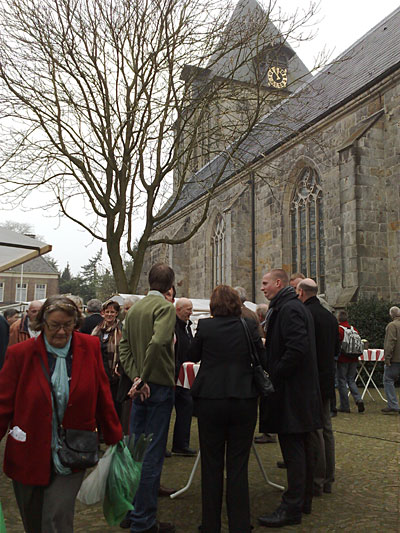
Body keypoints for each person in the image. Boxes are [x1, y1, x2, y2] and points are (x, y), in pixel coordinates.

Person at [0, 295, 122, 533]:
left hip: (74, 451)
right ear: (42, 324)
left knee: (56, 519)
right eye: (55, 325)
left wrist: (115, 437)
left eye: (68, 325)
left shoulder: (89, 347)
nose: (61, 332)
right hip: (28, 452)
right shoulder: (20, 355)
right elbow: (3, 404)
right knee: (33, 521)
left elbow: (102, 395)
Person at [190, 285, 265, 533]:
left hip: (210, 398)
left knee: (211, 463)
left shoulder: (206, 327)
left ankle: (210, 524)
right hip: (243, 398)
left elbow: (192, 354)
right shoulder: (249, 326)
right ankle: (240, 524)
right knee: (238, 465)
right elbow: (262, 359)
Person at [258, 269, 322, 528]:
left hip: (293, 393)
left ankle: (292, 506)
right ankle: (302, 500)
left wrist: (274, 374)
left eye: (264, 283)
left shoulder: (289, 309)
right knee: (303, 448)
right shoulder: (291, 306)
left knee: (294, 449)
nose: (262, 288)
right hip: (299, 392)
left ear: (278, 283)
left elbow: (297, 348)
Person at [119, 264, 177, 533]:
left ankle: (131, 512)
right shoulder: (165, 308)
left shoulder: (134, 310)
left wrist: (134, 378)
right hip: (157, 385)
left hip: (138, 385)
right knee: (152, 456)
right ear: (169, 286)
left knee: (135, 452)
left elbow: (124, 347)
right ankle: (143, 521)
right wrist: (142, 378)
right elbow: (158, 342)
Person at [297, 278, 340, 495]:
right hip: (326, 379)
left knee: (314, 430)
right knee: (326, 430)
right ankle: (328, 479)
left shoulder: (304, 315)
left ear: (302, 293)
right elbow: (335, 349)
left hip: (310, 380)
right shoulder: (330, 317)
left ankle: (316, 480)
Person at [171, 297, 196, 456]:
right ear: (178, 309)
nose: (191, 313)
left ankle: (181, 444)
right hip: (173, 375)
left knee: (186, 409)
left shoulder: (187, 326)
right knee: (166, 413)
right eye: (188, 310)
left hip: (185, 376)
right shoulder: (171, 326)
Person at [92, 299, 123, 415]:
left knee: (114, 405)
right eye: (107, 312)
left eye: (112, 312)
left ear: (116, 314)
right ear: (103, 313)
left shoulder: (121, 329)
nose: (109, 315)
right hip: (99, 372)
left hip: (114, 374)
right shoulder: (97, 329)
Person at [254, 303, 277, 444]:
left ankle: (269, 433)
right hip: (268, 366)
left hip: (267, 367)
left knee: (267, 402)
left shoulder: (263, 326)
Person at [336, 310, 365, 413]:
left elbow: (336, 343)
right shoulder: (353, 329)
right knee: (351, 380)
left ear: (338, 318)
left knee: (342, 381)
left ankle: (345, 405)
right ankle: (358, 399)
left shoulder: (339, 329)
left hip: (343, 358)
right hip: (354, 358)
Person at [381, 306, 400, 414]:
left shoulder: (392, 325)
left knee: (388, 380)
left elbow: (390, 343)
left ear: (391, 315)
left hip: (395, 359)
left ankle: (393, 404)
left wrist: (387, 358)